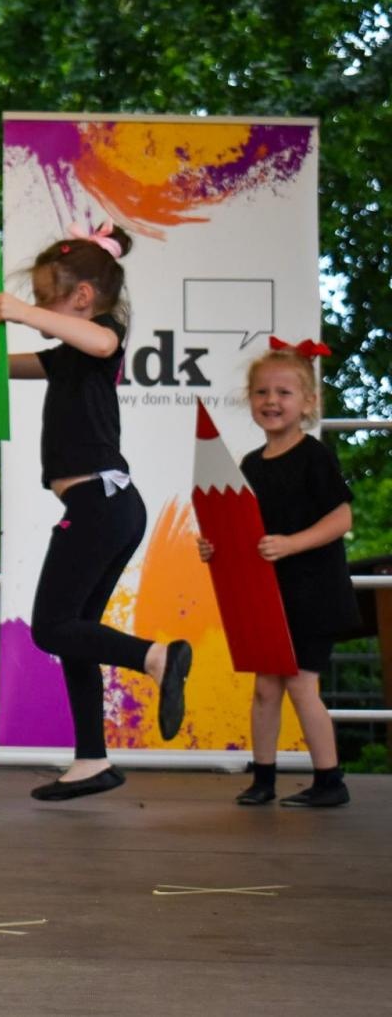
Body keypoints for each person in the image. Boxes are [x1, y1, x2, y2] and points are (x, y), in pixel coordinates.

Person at [0, 222, 192, 800]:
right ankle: (92, 760)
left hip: (102, 501)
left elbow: (99, 341)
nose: (40, 306)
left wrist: (26, 311)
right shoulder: (69, 359)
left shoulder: (103, 337)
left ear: (80, 299)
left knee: (52, 627)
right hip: (106, 504)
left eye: (49, 295)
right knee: (77, 634)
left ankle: (156, 656)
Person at [196, 339, 354, 807]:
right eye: (262, 392)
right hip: (270, 595)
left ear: (308, 402)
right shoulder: (247, 465)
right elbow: (246, 531)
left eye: (284, 393)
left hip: (313, 593)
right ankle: (263, 777)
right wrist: (216, 547)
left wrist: (291, 544)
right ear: (251, 400)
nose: (272, 401)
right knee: (265, 686)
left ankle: (330, 780)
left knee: (302, 686)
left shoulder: (315, 455)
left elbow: (340, 519)